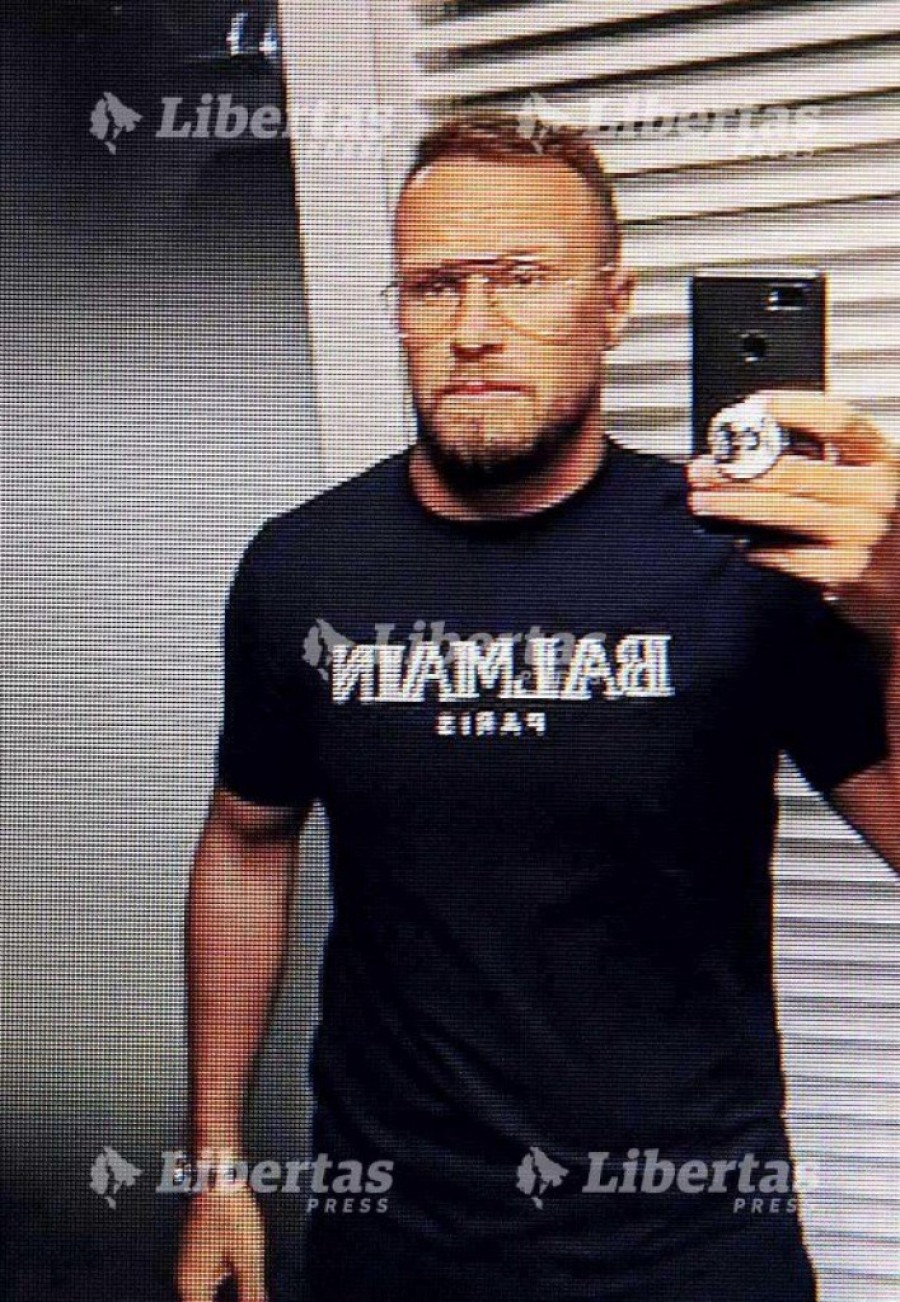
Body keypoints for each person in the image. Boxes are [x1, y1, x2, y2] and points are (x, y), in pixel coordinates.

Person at [175, 113, 900, 1302]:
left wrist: (898, 618)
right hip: (397, 1242)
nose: (473, 327)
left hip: (691, 1245)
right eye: (434, 286)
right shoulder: (303, 568)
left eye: (521, 278)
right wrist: (215, 1162)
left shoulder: (744, 555)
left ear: (612, 306)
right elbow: (247, 844)